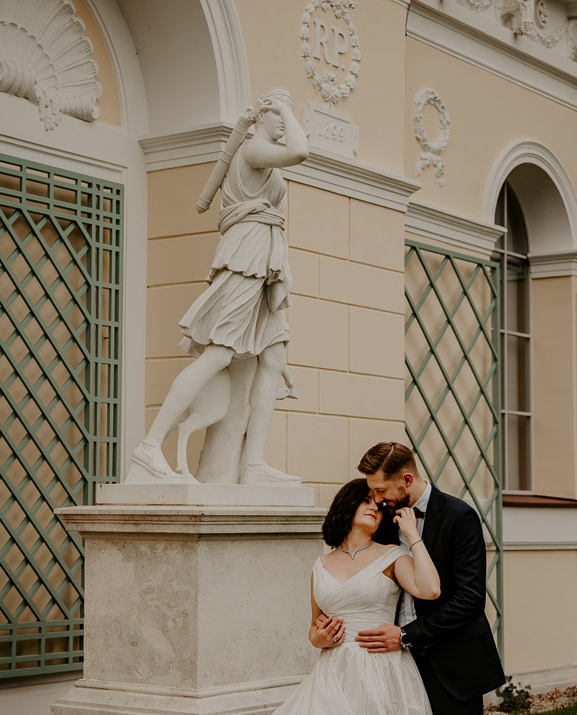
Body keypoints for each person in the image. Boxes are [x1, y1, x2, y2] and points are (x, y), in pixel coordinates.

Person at [130, 86, 309, 486]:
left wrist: (280, 110)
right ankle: (150, 445)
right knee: (220, 353)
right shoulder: (253, 150)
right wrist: (280, 108)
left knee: (273, 358)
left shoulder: (264, 156)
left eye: (288, 113)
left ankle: (253, 464)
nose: (285, 120)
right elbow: (301, 151)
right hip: (246, 259)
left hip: (266, 264)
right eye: (277, 113)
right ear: (261, 116)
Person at [342, 442, 506, 714]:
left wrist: (406, 635)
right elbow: (362, 569)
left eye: (381, 490)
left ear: (407, 480)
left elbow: (470, 599)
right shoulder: (382, 518)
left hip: (451, 660)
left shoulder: (460, 517)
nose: (377, 499)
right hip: (392, 661)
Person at [274, 478, 440, 715]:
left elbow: (431, 589)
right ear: (346, 505)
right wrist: (319, 638)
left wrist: (412, 535)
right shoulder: (321, 564)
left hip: (382, 667)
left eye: (379, 506)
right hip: (333, 672)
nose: (374, 508)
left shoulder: (392, 555)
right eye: (366, 500)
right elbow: (313, 629)